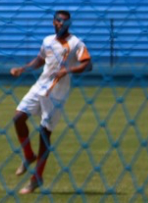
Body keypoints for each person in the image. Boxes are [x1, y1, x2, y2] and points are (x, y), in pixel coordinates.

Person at [10, 10, 91, 195]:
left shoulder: (75, 43)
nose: (61, 24)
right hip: (40, 87)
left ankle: (36, 178)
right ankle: (29, 155)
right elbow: (40, 59)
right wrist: (22, 69)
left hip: (56, 94)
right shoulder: (47, 41)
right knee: (18, 118)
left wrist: (67, 71)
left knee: (44, 134)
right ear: (54, 22)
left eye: (65, 21)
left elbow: (88, 64)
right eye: (59, 21)